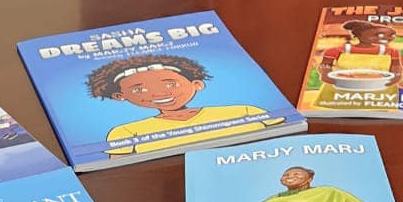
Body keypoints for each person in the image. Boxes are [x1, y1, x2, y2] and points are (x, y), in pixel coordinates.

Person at [88, 54, 278, 158]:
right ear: (120, 96)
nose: (159, 94)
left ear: (197, 84)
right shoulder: (126, 132)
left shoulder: (245, 111)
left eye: (170, 84)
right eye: (139, 90)